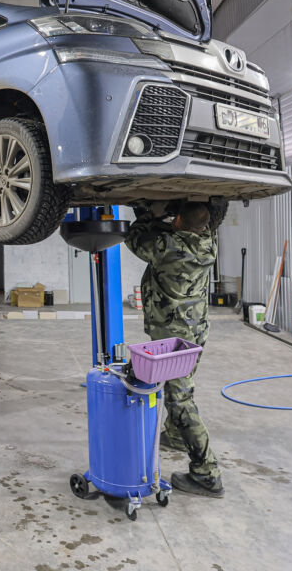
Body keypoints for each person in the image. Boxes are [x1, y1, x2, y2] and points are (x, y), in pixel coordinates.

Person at [124, 197, 228, 498]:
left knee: (180, 399)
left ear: (179, 220)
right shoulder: (208, 243)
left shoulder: (168, 247)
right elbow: (171, 233)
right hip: (196, 330)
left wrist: (147, 212)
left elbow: (134, 238)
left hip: (174, 338)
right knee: (182, 387)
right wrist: (163, 216)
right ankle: (175, 434)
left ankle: (207, 473)